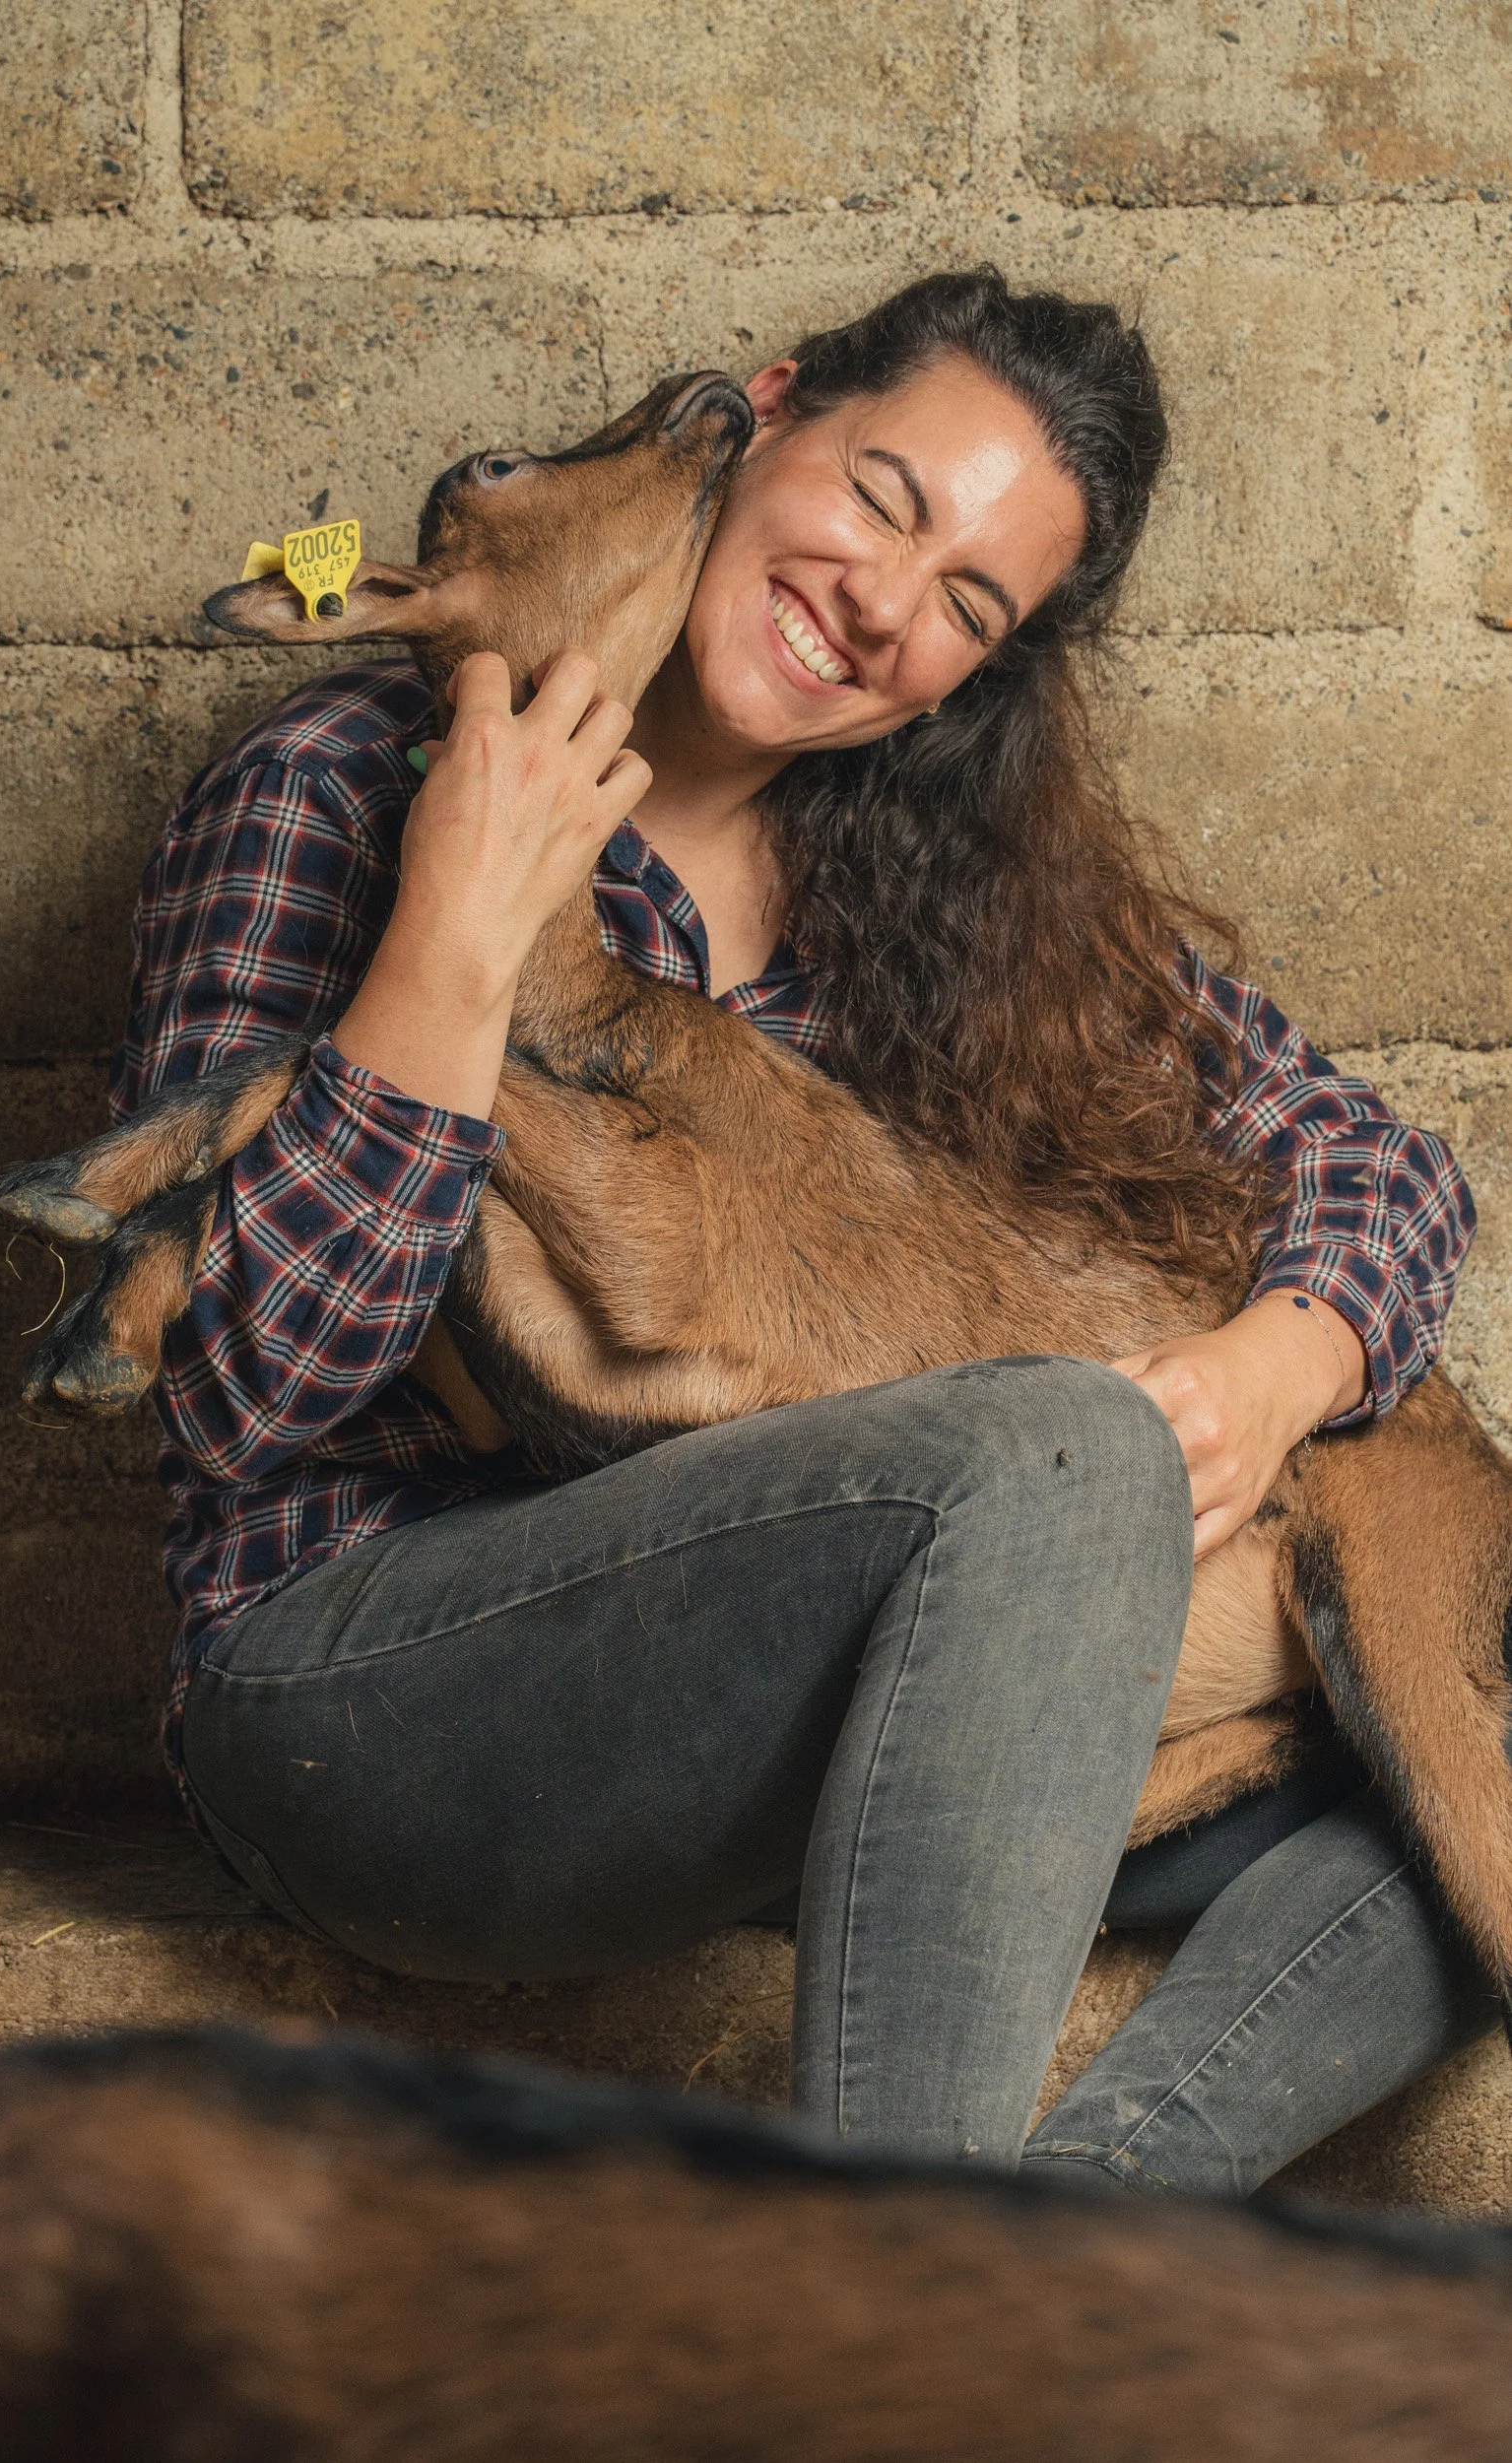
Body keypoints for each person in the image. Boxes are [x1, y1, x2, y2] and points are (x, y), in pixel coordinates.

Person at [117, 270, 1492, 2188]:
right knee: (1048, 1443)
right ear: (768, 413)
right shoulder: (332, 784)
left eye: (964, 608)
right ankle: (909, 2288)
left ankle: (1025, 2270)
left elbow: (1373, 1159)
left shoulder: (953, 892)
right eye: (883, 500)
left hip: (783, 1727)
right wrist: (449, 937)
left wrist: (1277, 1366)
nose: (878, 606)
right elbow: (238, 1389)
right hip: (375, 1683)